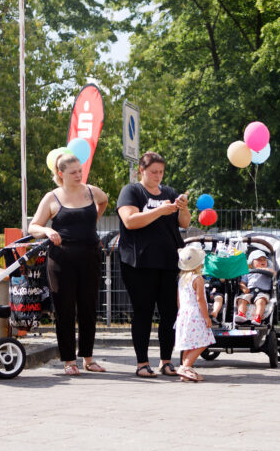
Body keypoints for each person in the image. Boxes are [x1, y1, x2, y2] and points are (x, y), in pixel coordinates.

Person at [28, 153, 109, 375]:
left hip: (90, 255)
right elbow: (33, 226)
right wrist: (47, 230)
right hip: (62, 258)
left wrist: (94, 219)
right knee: (64, 309)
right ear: (60, 174)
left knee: (88, 308)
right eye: (73, 172)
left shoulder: (91, 191)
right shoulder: (51, 197)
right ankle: (68, 360)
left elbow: (104, 200)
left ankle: (88, 358)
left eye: (80, 171)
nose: (78, 175)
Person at [117, 151, 191, 378]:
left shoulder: (168, 192)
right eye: (153, 172)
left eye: (161, 172)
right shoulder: (132, 191)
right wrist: (160, 210)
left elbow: (185, 223)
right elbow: (129, 221)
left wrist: (183, 206)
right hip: (139, 263)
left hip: (168, 261)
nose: (158, 176)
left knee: (169, 313)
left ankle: (166, 361)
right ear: (142, 170)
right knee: (143, 312)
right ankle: (142, 363)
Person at [174, 243, 214, 382]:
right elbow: (200, 300)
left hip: (184, 313)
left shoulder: (182, 279)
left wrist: (180, 313)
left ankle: (186, 368)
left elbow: (179, 299)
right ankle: (185, 366)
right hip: (195, 314)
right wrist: (206, 317)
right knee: (204, 341)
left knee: (188, 343)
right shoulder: (198, 279)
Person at [236, 249, 274, 325]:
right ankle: (241, 314)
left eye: (264, 260)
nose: (262, 261)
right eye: (259, 260)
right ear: (251, 262)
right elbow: (242, 282)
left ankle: (258, 318)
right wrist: (243, 287)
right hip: (250, 291)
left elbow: (275, 273)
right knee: (242, 299)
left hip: (262, 292)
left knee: (260, 301)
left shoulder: (268, 271)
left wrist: (265, 269)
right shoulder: (248, 272)